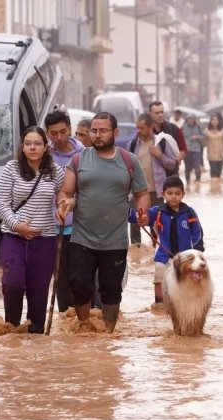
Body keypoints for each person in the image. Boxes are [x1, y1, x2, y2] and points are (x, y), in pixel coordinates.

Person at [57, 112, 150, 333]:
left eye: (103, 131)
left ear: (115, 133)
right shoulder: (79, 160)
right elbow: (65, 191)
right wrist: (64, 203)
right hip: (82, 237)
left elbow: (142, 193)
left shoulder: (129, 161)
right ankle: (84, 326)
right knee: (79, 286)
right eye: (94, 131)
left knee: (111, 291)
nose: (98, 135)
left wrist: (143, 212)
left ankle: (108, 334)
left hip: (115, 240)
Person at [0, 126, 65, 333]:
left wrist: (62, 207)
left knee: (39, 292)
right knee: (13, 283)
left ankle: (35, 337)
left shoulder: (56, 172)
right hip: (13, 237)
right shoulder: (11, 168)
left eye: (37, 144)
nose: (32, 147)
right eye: (28, 144)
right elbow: (1, 204)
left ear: (46, 147)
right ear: (22, 147)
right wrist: (18, 226)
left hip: (45, 240)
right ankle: (12, 329)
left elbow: (65, 195)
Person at [142, 175, 204, 308]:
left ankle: (186, 304)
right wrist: (139, 217)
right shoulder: (157, 212)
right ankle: (159, 304)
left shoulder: (189, 212)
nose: (173, 196)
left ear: (183, 194)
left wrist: (198, 250)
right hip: (163, 256)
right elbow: (142, 218)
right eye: (169, 193)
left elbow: (197, 232)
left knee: (187, 280)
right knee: (159, 279)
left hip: (185, 258)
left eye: (177, 193)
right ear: (163, 194)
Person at [44, 110, 84, 314]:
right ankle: (65, 319)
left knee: (81, 278)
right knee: (60, 279)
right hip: (53, 228)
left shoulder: (84, 155)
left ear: (70, 129)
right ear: (47, 133)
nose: (59, 137)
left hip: (81, 228)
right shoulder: (44, 157)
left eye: (62, 131)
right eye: (53, 133)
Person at [128, 112, 176, 247]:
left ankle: (157, 252)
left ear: (150, 127)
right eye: (137, 127)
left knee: (156, 225)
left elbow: (172, 164)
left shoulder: (161, 142)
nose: (138, 131)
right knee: (134, 224)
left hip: (156, 191)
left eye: (141, 128)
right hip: (137, 191)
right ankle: (136, 254)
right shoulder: (132, 144)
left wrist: (159, 155)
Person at [148, 101, 187, 167]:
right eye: (156, 113)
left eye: (162, 112)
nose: (160, 115)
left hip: (171, 173)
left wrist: (176, 161)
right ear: (150, 114)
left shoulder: (174, 129)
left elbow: (183, 149)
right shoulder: (146, 131)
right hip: (153, 172)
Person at [204, 113, 223, 179]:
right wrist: (204, 137)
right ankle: (213, 188)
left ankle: (217, 189)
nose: (214, 122)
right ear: (211, 121)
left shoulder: (222, 130)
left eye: (216, 120)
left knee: (218, 174)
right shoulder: (207, 131)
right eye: (213, 120)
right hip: (211, 156)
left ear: (218, 121)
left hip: (221, 155)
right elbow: (204, 144)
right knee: (213, 174)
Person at [182, 115, 203, 185]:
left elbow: (203, 136)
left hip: (196, 150)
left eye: (191, 119)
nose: (190, 121)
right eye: (189, 119)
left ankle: (198, 181)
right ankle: (188, 183)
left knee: (197, 166)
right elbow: (179, 136)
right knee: (187, 168)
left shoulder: (198, 127)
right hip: (186, 150)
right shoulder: (183, 127)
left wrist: (197, 137)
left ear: (194, 120)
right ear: (187, 120)